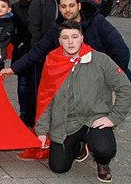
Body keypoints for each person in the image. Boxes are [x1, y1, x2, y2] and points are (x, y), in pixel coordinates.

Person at [33, 20, 131, 182]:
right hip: (65, 122)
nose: (70, 42)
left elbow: (125, 87)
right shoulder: (52, 61)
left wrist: (113, 117)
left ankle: (103, 163)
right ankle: (78, 146)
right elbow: (45, 98)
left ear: (82, 38)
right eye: (65, 37)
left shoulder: (100, 60)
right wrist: (42, 131)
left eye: (74, 36)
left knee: (105, 149)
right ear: (59, 40)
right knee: (59, 167)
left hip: (93, 119)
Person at [1, 0, 131, 80]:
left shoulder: (97, 21)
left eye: (71, 5)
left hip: (105, 76)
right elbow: (38, 50)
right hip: (79, 80)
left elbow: (120, 50)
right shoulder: (56, 28)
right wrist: (13, 69)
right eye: (63, 6)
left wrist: (113, 77)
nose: (68, 10)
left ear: (79, 6)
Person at [11, 0, 45, 126]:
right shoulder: (17, 7)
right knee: (23, 83)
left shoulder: (45, 5)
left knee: (39, 83)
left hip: (41, 50)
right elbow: (12, 29)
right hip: (23, 50)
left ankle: (38, 114)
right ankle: (24, 113)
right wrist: (19, 43)